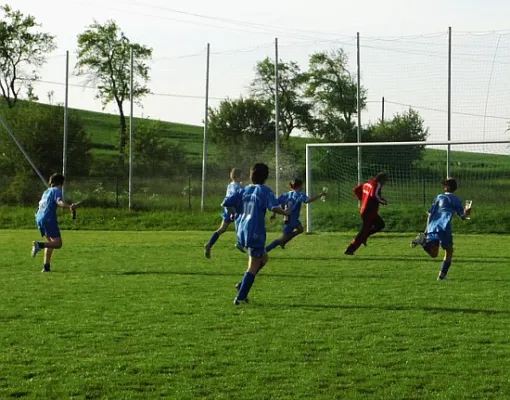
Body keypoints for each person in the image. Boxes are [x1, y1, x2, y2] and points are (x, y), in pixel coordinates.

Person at [222, 163, 288, 305]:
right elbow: (274, 207)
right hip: (255, 232)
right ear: (265, 177)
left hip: (241, 230)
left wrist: (234, 215)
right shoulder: (264, 190)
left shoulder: (244, 190)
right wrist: (285, 212)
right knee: (253, 265)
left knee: (263, 258)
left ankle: (242, 285)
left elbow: (226, 203)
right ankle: (240, 297)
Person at [410, 177, 471, 280]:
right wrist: (467, 213)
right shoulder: (456, 200)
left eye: (444, 185)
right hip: (444, 227)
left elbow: (429, 214)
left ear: (447, 187)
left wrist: (426, 231)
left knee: (434, 254)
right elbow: (463, 217)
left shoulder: (438, 197)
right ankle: (441, 276)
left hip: (432, 227)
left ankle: (423, 242)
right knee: (449, 251)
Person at [265, 179, 327, 252]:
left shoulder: (285, 195)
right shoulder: (299, 194)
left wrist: (274, 214)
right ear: (299, 186)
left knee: (300, 229)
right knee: (281, 239)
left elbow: (275, 204)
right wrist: (320, 195)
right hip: (291, 220)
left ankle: (284, 241)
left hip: (288, 219)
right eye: (302, 185)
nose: (302, 187)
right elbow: (308, 200)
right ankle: (265, 250)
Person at [31, 173, 76, 272]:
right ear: (62, 183)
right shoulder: (57, 190)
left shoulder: (46, 191)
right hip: (48, 219)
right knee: (58, 244)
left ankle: (46, 267)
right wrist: (69, 207)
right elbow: (59, 202)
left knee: (50, 243)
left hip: (39, 217)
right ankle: (39, 245)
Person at [344, 172, 388, 255]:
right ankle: (350, 249)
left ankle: (365, 237)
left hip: (366, 210)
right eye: (385, 181)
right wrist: (383, 201)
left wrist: (362, 199)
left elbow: (356, 190)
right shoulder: (376, 184)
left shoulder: (368, 183)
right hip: (369, 211)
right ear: (381, 180)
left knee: (380, 224)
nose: (385, 183)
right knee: (363, 231)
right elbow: (374, 195)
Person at [204, 168, 243, 259]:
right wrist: (232, 213)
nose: (243, 176)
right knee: (242, 226)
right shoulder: (236, 187)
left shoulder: (231, 185)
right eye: (241, 175)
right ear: (236, 177)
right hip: (232, 210)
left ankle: (209, 244)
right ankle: (240, 243)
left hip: (227, 210)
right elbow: (230, 199)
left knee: (222, 229)